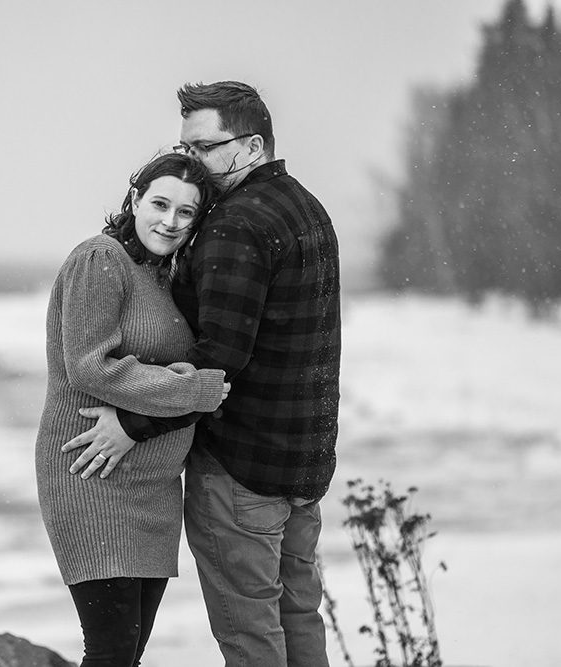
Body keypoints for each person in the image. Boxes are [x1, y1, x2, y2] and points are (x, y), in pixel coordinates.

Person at [63, 81, 342, 667]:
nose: (191, 161)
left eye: (203, 148)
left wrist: (132, 426)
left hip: (242, 466)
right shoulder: (305, 206)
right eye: (184, 147)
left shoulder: (235, 224)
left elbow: (221, 361)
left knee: (250, 636)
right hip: (303, 463)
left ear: (251, 147)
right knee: (298, 616)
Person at [35, 151, 231, 667]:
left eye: (185, 212)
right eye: (160, 204)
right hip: (93, 477)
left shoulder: (163, 276)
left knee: (127, 653)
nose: (169, 221)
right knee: (111, 651)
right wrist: (189, 389)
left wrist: (179, 381)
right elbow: (89, 366)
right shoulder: (99, 259)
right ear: (135, 199)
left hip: (154, 488)